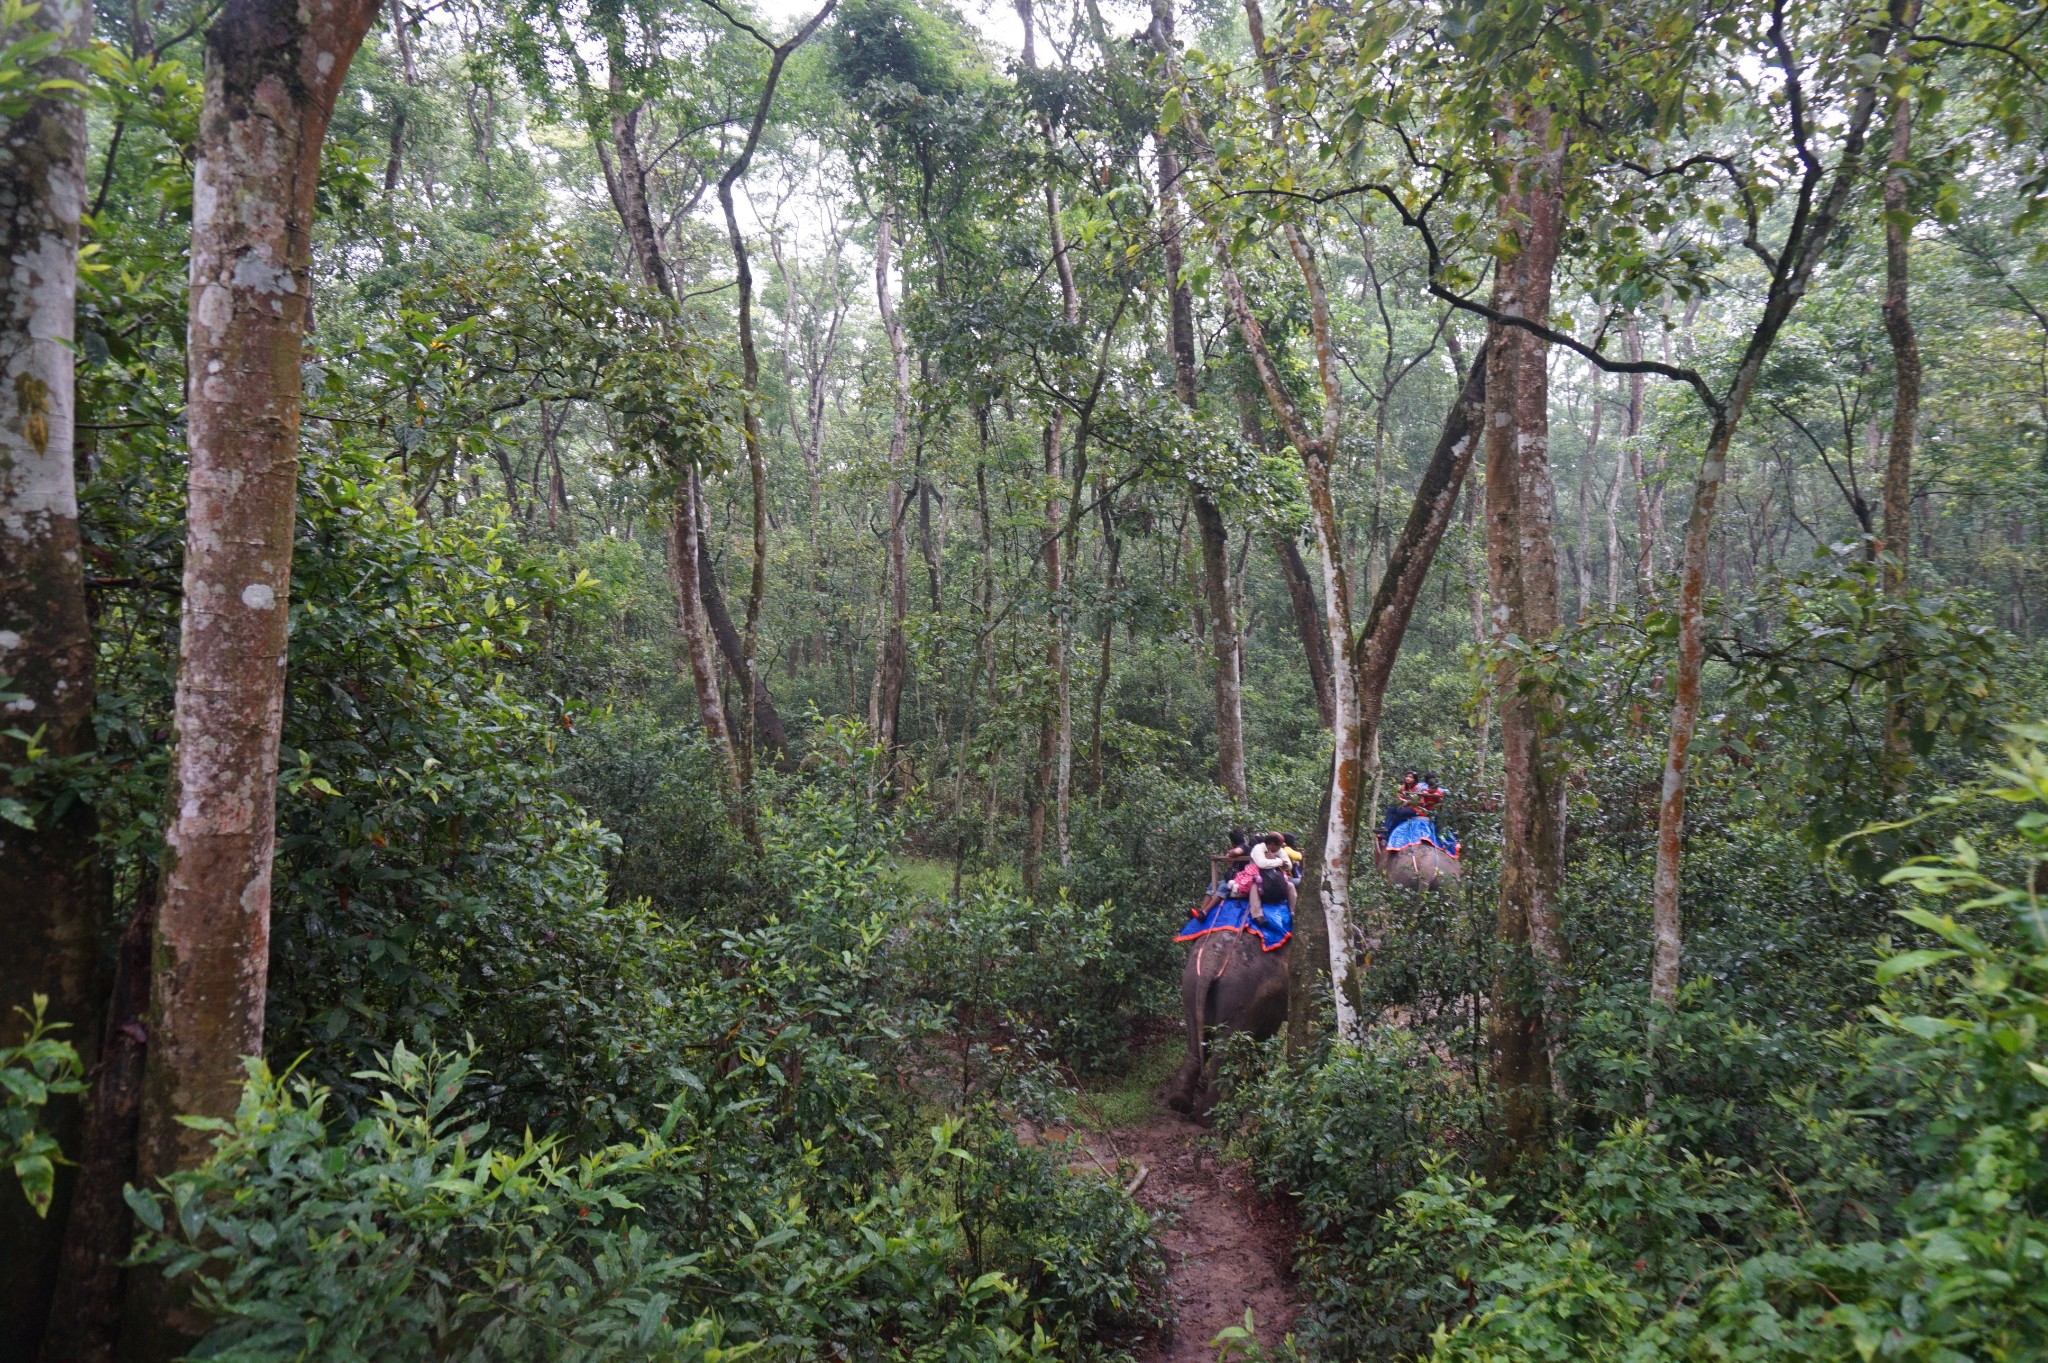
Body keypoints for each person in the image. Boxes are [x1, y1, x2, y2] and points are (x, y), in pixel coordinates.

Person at [1194, 829, 1251, 917]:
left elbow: (1237, 851)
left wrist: (1231, 852)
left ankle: (1205, 912)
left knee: (1223, 887)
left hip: (1242, 881)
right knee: (1212, 885)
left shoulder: (1243, 846)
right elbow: (1230, 863)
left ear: (1232, 841)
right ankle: (1201, 910)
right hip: (1234, 879)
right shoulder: (1240, 848)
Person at [1243, 832, 1296, 923]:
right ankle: (1257, 915)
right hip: (1258, 878)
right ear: (1271, 844)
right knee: (1254, 887)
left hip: (1276, 879)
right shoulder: (1258, 848)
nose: (1281, 847)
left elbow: (1289, 865)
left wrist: (1275, 859)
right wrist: (1280, 862)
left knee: (1290, 886)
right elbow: (1262, 864)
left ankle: (1293, 912)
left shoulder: (1278, 850)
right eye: (1279, 845)